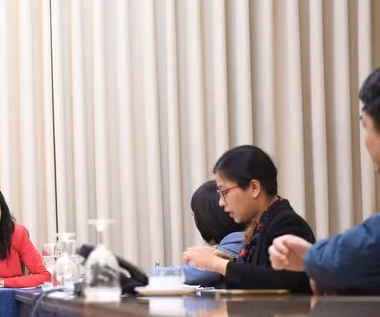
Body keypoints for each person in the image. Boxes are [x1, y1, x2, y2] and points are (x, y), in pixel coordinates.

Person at [270, 68, 380, 294]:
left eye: (365, 126)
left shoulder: (284, 220)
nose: (223, 203)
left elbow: (367, 247)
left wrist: (314, 259)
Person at [182, 145, 315, 293]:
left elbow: (280, 283)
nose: (221, 202)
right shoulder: (263, 225)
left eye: (224, 192)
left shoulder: (287, 224)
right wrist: (229, 261)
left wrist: (217, 264)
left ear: (254, 188)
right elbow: (260, 272)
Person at [153, 180, 245, 286]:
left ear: (209, 217)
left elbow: (198, 273)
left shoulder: (238, 239)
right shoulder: (233, 240)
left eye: (195, 215)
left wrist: (153, 275)